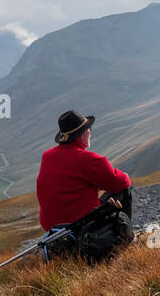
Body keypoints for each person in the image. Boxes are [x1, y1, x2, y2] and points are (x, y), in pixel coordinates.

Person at [35, 110, 134, 260]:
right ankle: (122, 239)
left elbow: (68, 183)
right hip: (82, 223)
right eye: (89, 129)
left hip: (54, 227)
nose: (90, 132)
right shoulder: (89, 159)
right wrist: (122, 177)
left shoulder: (47, 156)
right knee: (124, 191)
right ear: (82, 134)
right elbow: (120, 182)